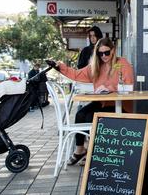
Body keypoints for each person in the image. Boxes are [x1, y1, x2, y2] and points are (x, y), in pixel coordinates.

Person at [47, 37, 134, 165]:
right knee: (81, 114)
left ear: (113, 50)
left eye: (107, 52)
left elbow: (129, 85)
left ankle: (93, 151)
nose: (104, 56)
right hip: (101, 102)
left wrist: (109, 88)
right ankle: (80, 150)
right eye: (100, 53)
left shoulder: (121, 63)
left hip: (119, 104)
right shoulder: (95, 66)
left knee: (90, 117)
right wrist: (60, 67)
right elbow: (76, 74)